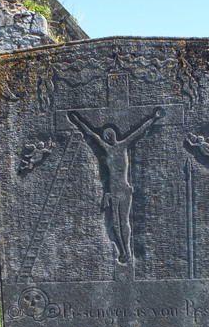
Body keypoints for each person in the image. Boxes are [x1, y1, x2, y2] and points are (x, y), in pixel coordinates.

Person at [67, 108, 163, 264]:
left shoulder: (123, 145)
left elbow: (139, 131)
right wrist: (77, 122)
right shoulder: (106, 149)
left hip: (124, 190)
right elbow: (91, 134)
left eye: (109, 135)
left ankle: (128, 249)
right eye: (105, 136)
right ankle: (122, 250)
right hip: (112, 191)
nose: (107, 137)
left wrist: (153, 118)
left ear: (114, 135)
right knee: (116, 224)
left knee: (124, 221)